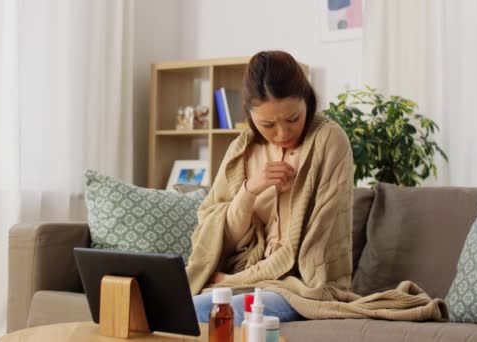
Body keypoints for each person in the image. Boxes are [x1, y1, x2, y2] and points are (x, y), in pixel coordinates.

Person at [185, 50, 447, 326]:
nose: (283, 133)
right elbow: (215, 235)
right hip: (240, 283)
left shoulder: (329, 141)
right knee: (178, 309)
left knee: (198, 313)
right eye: (268, 124)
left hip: (304, 290)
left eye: (293, 118)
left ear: (307, 100)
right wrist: (250, 190)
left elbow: (310, 251)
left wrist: (232, 280)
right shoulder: (242, 150)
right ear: (250, 115)